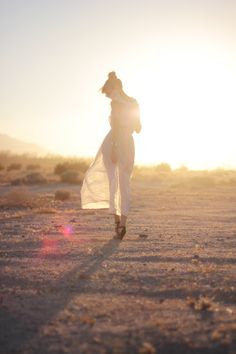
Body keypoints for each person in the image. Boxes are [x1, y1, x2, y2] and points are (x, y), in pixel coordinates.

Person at [81, 71, 141, 240]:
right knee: (121, 183)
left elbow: (119, 128)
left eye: (108, 92)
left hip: (117, 142)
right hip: (124, 142)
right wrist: (131, 121)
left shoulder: (118, 104)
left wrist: (115, 147)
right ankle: (120, 225)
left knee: (117, 182)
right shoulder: (133, 102)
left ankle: (119, 225)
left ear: (115, 89)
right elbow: (138, 128)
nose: (108, 96)